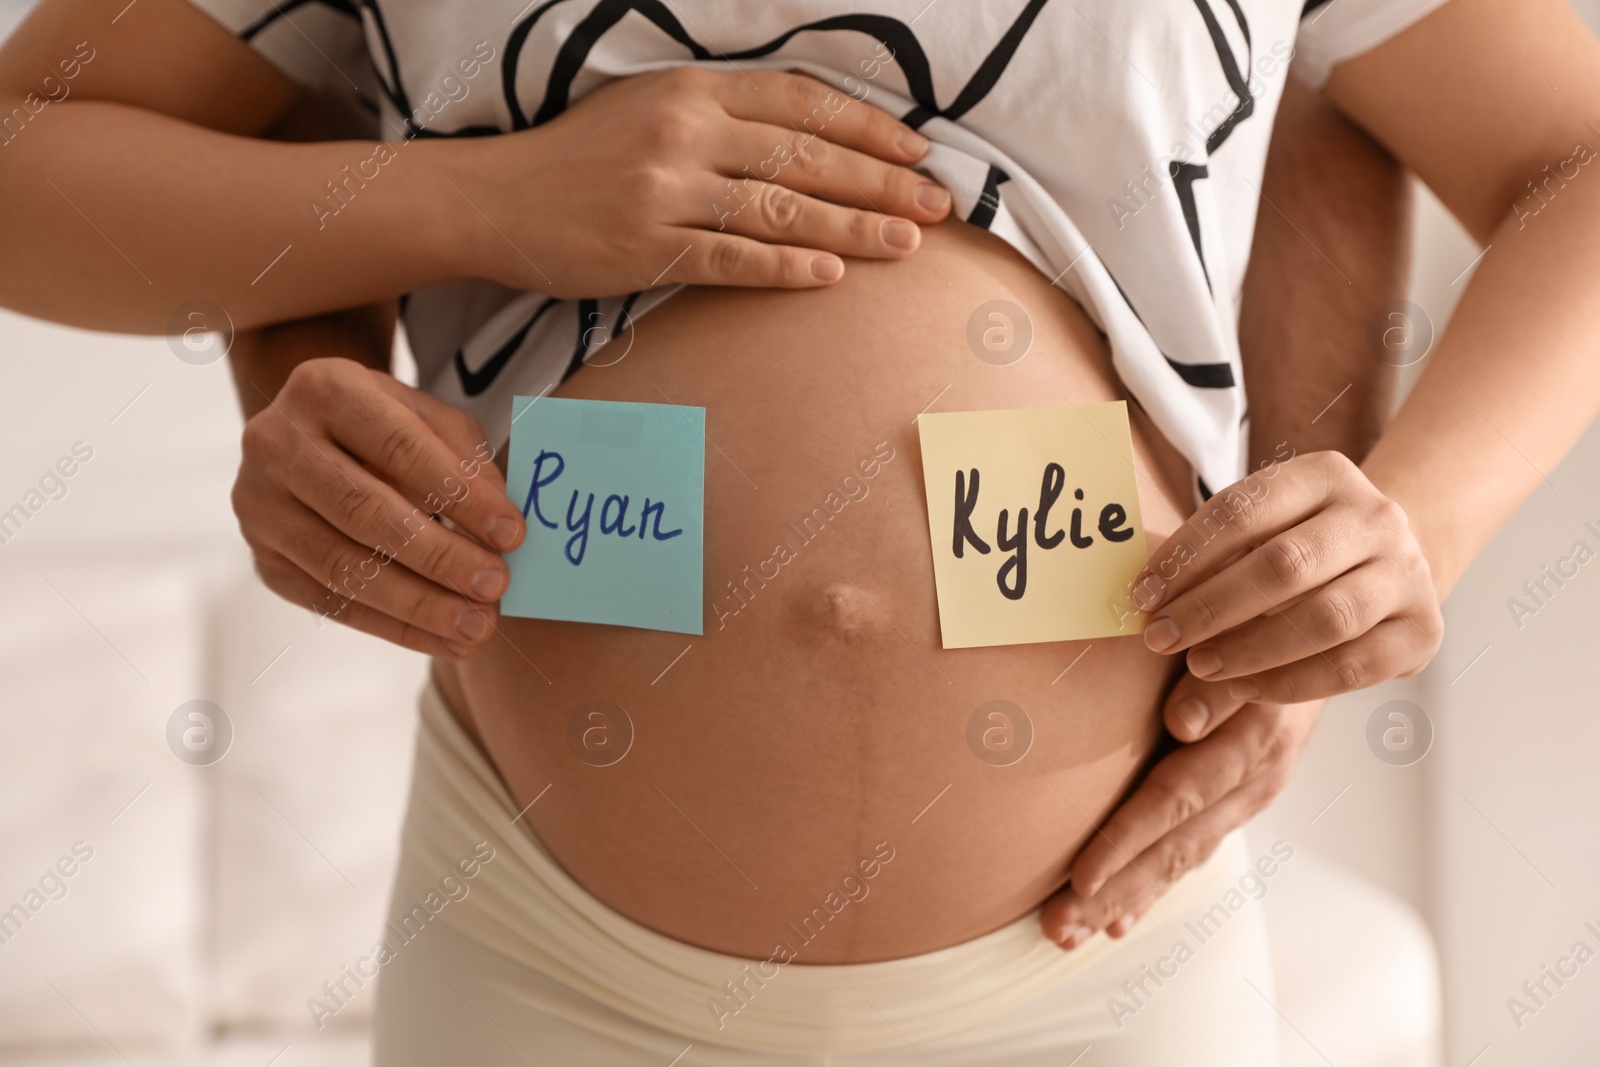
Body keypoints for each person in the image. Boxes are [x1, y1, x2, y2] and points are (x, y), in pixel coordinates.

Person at [3, 0, 1598, 1062]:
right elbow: (36, 157)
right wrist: (479, 205)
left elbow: (1554, 156)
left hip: (1100, 957)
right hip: (545, 949)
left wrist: (1415, 532)